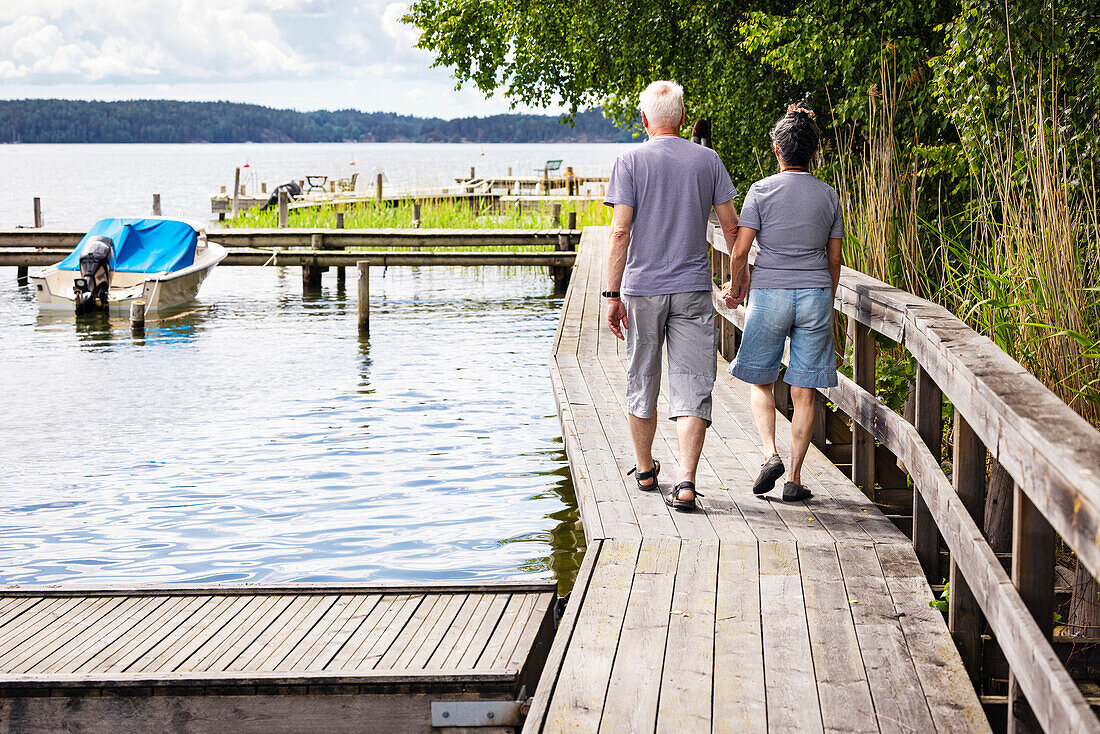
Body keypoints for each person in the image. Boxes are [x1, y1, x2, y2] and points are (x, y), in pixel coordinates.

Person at [604, 80, 742, 511]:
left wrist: (612, 293)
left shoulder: (628, 161)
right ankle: (685, 482)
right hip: (692, 289)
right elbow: (733, 229)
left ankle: (645, 471)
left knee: (641, 378)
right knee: (693, 384)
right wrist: (739, 282)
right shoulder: (708, 160)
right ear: (682, 118)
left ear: (644, 120)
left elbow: (620, 231)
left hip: (642, 290)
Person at [722, 104, 843, 502]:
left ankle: (769, 453)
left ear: (777, 150)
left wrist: (738, 285)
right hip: (815, 295)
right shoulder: (829, 195)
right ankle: (793, 478)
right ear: (814, 153)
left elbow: (741, 250)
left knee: (762, 379)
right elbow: (834, 258)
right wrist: (827, 295)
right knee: (804, 390)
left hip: (770, 293)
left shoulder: (761, 190)